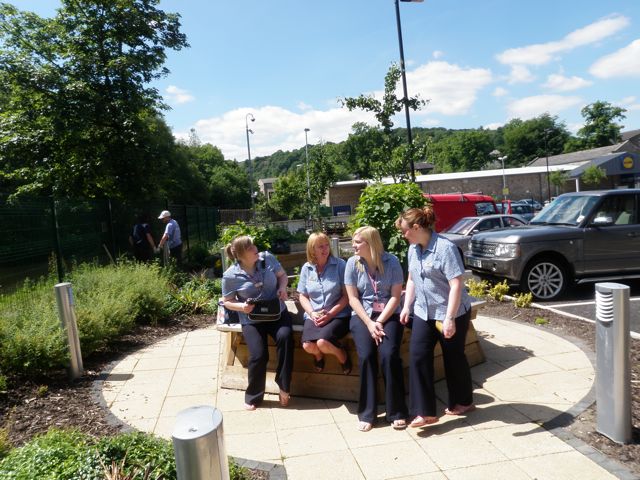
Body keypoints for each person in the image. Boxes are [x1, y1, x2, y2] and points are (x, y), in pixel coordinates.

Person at [396, 206, 474, 429]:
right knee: (418, 356)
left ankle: (464, 401)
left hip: (451, 311)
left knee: (453, 357)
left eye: (405, 231)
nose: (403, 235)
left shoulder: (445, 248)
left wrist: (449, 318)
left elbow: (456, 284)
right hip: (423, 311)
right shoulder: (413, 249)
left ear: (417, 227)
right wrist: (406, 306)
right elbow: (411, 279)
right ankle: (424, 412)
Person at [344, 226, 408, 432]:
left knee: (389, 355)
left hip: (388, 315)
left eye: (357, 242)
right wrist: (370, 323)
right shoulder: (352, 264)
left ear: (371, 243)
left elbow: (396, 297)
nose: (353, 245)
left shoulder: (392, 262)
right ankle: (367, 412)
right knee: (366, 356)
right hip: (362, 316)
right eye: (353, 241)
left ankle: (397, 411)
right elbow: (353, 298)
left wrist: (379, 321)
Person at [221, 235, 293, 410]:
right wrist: (241, 307)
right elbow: (227, 301)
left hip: (277, 313)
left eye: (254, 245)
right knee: (258, 354)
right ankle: (254, 395)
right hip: (251, 319)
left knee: (285, 337)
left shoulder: (267, 258)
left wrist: (282, 288)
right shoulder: (230, 275)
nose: (255, 249)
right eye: (250, 247)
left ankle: (284, 387)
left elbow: (283, 276)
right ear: (240, 255)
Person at [297, 232, 352, 374]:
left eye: (327, 245)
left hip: (338, 315)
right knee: (308, 346)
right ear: (312, 249)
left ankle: (342, 355)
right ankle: (318, 355)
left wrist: (331, 314)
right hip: (315, 315)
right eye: (320, 246)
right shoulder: (306, 268)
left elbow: (347, 296)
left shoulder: (340, 265)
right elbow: (302, 296)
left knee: (323, 342)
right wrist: (312, 313)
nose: (325, 249)